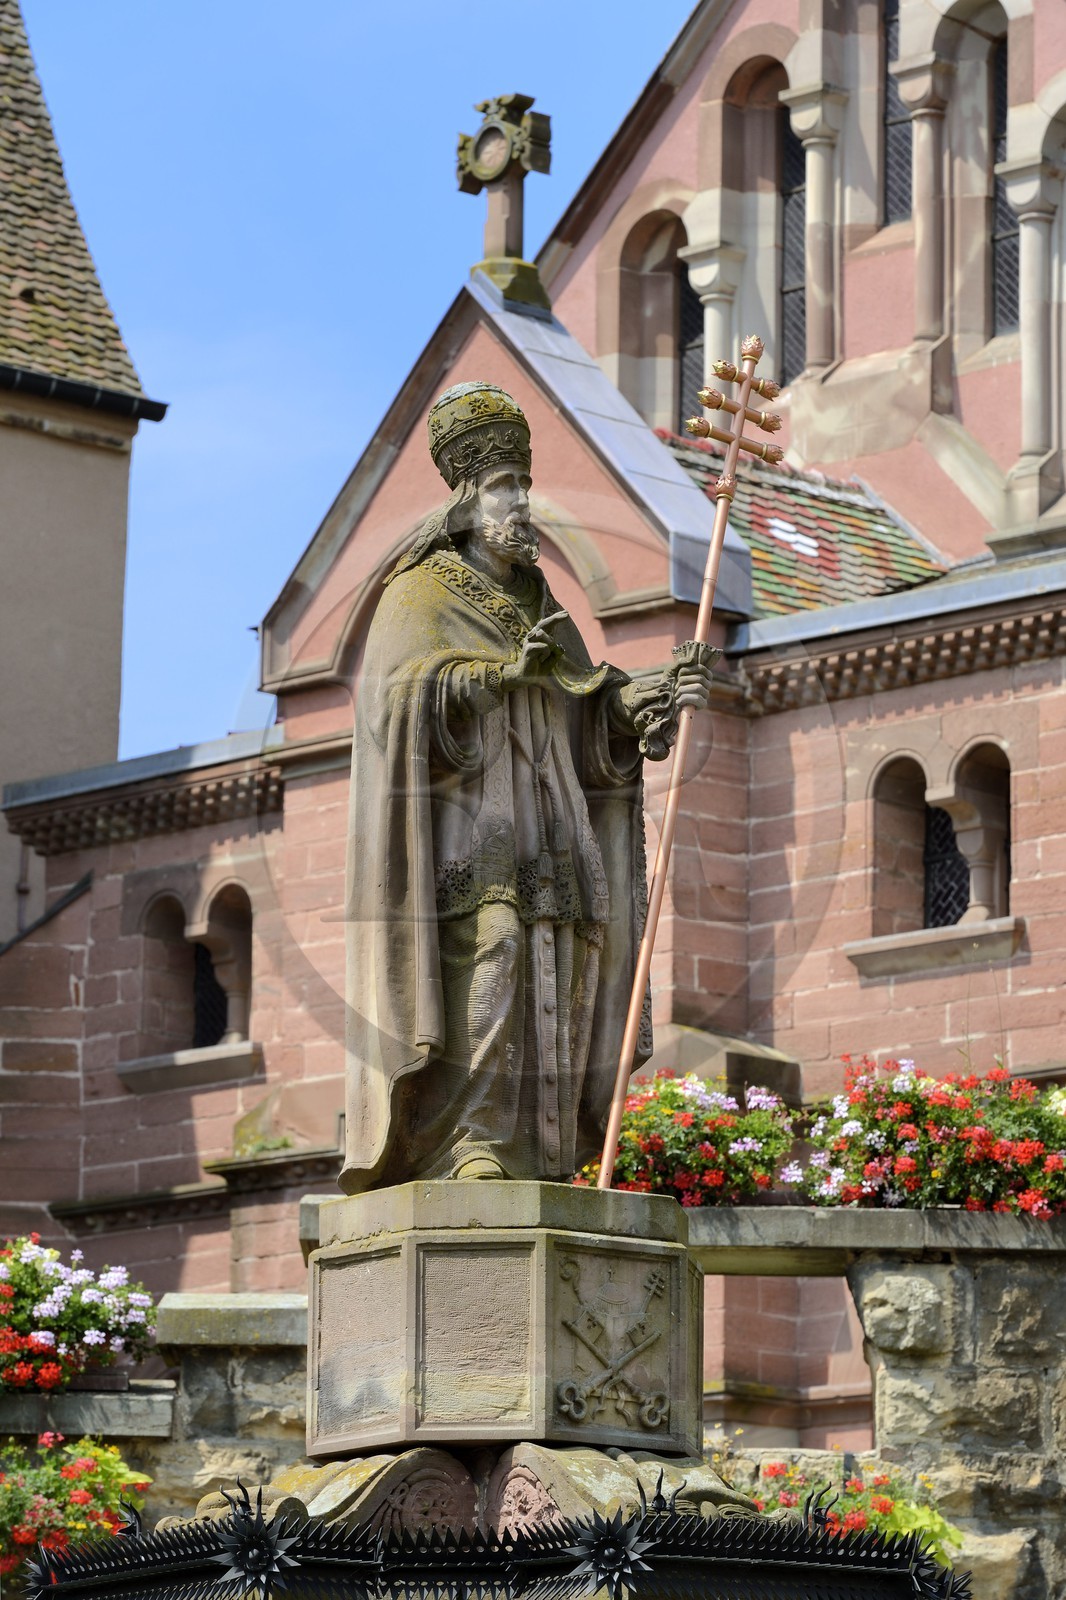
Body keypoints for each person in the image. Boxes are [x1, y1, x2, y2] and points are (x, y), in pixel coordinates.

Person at [339, 382, 713, 1191]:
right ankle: (467, 1141)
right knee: (494, 949)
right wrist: (496, 676)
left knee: (562, 958)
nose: (522, 503)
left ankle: (540, 1149)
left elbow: (590, 711)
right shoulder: (421, 590)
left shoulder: (539, 598)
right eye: (506, 486)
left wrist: (642, 698)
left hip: (552, 824)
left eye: (524, 485)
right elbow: (400, 701)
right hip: (469, 827)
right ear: (469, 497)